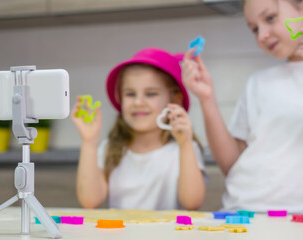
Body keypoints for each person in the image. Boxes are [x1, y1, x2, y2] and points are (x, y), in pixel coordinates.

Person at [183, 0, 303, 212]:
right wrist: (207, 98)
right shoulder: (258, 82)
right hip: (240, 210)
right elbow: (232, 164)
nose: (262, 35)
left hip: (293, 215)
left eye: (270, 18)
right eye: (254, 29)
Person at [72, 48, 206, 210]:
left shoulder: (184, 149)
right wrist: (89, 142)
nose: (138, 102)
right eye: (130, 94)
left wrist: (185, 144)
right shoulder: (110, 149)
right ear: (120, 98)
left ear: (175, 99)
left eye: (150, 94)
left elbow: (192, 203)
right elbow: (89, 201)